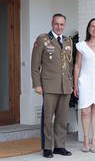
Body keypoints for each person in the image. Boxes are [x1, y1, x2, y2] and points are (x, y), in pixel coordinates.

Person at [31, 13, 73, 158]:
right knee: (48, 118)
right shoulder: (43, 39)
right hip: (48, 86)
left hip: (65, 86)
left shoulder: (68, 41)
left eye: (62, 24)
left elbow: (70, 65)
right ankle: (47, 147)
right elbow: (35, 65)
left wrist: (71, 84)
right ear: (52, 23)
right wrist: (37, 84)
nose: (59, 27)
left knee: (62, 118)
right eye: (57, 24)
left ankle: (59, 146)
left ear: (64, 25)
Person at [73, 18, 95, 153]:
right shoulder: (81, 45)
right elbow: (77, 65)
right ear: (88, 29)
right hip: (85, 81)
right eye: (92, 26)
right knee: (85, 111)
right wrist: (75, 84)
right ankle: (86, 140)